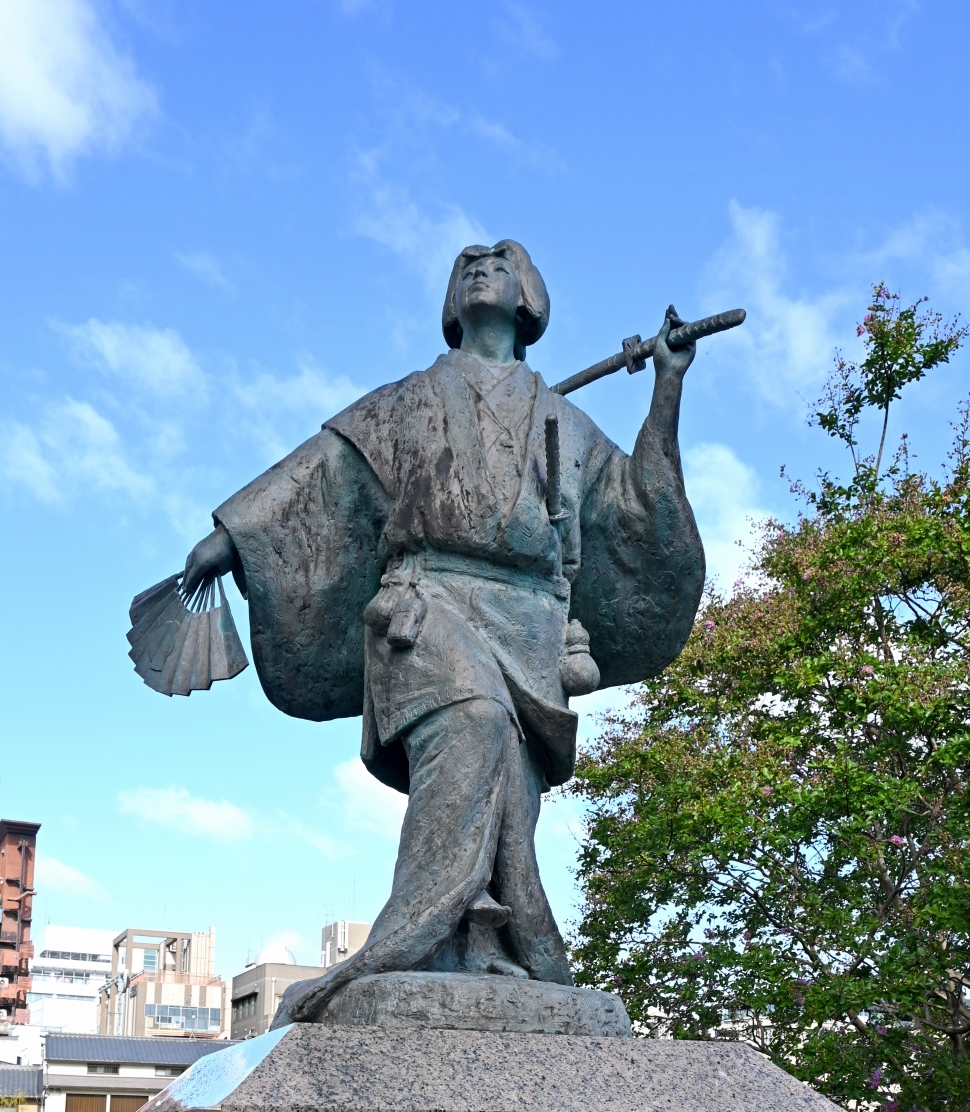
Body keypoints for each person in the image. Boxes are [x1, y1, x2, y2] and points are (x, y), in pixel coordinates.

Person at [178, 239, 704, 1021]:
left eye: (498, 262)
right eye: (466, 267)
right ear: (451, 304)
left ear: (528, 297)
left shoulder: (563, 420)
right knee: (476, 723)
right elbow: (321, 473)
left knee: (512, 802)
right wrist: (231, 538)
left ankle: (487, 943)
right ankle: (410, 942)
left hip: (530, 623)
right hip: (426, 606)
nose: (479, 269)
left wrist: (666, 385)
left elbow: (637, 503)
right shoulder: (408, 400)